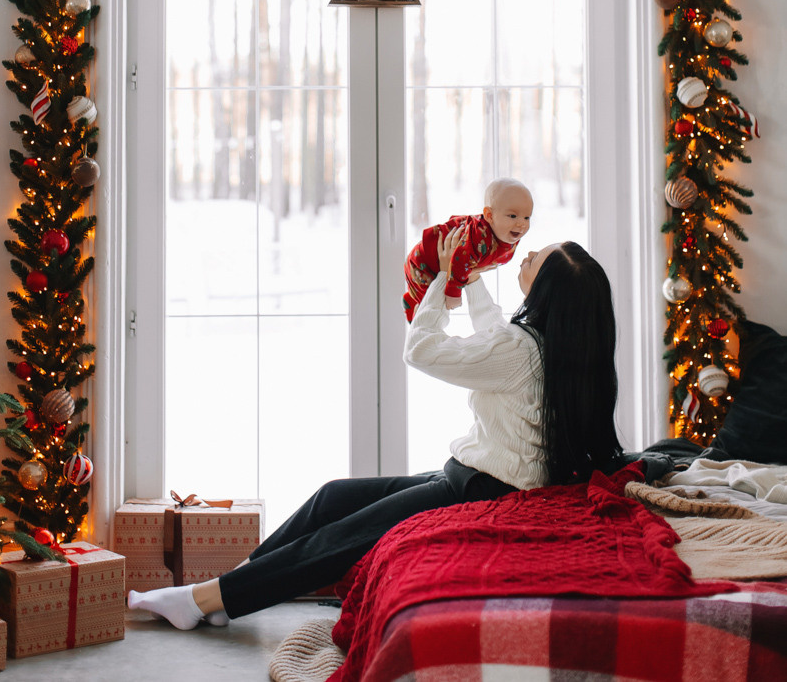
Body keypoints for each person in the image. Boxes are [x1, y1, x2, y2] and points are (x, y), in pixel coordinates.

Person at [127, 233, 623, 630]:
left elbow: (422, 349)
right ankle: (229, 588)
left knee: (342, 537)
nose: (528, 253)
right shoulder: (565, 350)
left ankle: (198, 599)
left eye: (539, 257)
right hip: (484, 478)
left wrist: (441, 282)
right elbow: (496, 337)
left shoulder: (519, 349)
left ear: (547, 289)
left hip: (480, 489)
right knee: (333, 497)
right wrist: (467, 279)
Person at [403, 178, 533, 321]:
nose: (522, 224)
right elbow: (460, 260)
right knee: (429, 306)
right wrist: (453, 292)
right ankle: (414, 307)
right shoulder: (480, 236)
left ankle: (411, 300)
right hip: (424, 261)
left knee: (428, 300)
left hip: (439, 265)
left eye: (527, 217)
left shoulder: (509, 234)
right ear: (489, 216)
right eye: (512, 216)